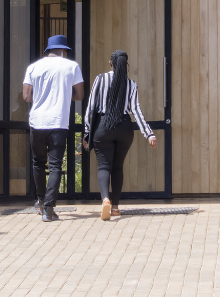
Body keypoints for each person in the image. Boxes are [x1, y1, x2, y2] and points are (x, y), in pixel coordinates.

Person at [82, 49, 158, 221]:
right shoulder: (131, 84)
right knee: (117, 167)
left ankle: (105, 200)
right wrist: (149, 134)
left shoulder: (100, 79)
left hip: (103, 126)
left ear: (111, 63)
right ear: (126, 65)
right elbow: (136, 110)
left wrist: (87, 132)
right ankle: (115, 208)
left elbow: (91, 107)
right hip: (124, 127)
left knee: (103, 166)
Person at [20, 33, 84, 222]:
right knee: (55, 165)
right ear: (64, 50)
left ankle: (40, 202)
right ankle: (49, 209)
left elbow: (26, 96)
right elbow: (79, 94)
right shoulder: (72, 66)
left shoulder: (33, 67)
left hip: (37, 121)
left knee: (38, 163)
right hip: (58, 122)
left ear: (48, 50)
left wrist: (40, 98)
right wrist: (64, 95)